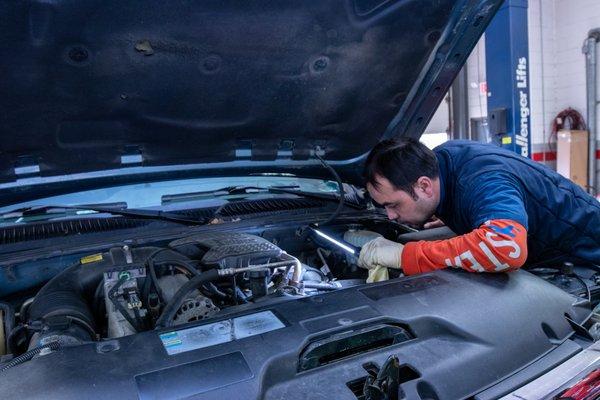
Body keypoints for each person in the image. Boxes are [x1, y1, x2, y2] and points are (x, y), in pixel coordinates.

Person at [358, 138, 600, 281]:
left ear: (423, 186)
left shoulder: (482, 178)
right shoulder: (443, 161)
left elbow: (505, 248)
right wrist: (475, 213)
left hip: (589, 259)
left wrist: (405, 255)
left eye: (393, 205)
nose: (390, 216)